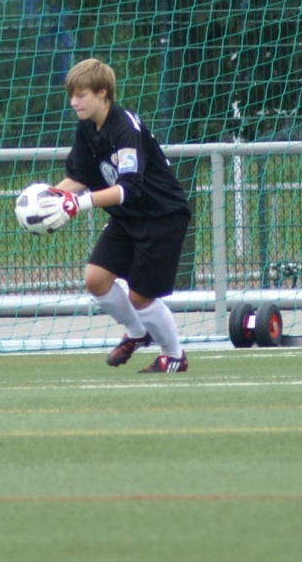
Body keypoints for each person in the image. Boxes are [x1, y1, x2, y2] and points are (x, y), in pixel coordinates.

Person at [37, 58, 192, 373]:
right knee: (96, 279)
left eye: (81, 95)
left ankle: (174, 355)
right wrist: (46, 200)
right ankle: (137, 332)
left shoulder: (124, 127)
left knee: (140, 297)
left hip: (161, 215)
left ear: (103, 93)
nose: (74, 102)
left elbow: (128, 188)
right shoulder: (86, 128)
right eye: (72, 95)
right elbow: (79, 176)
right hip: (127, 217)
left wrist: (78, 204)